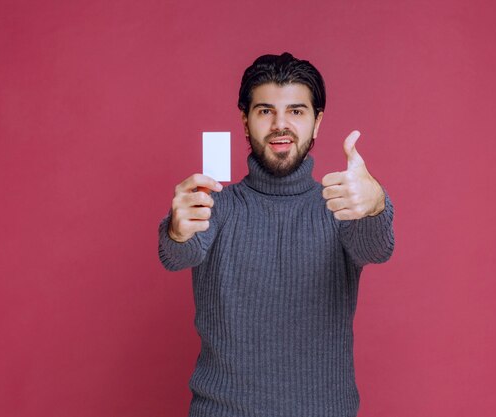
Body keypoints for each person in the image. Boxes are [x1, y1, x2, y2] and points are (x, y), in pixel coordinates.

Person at [158, 52, 395, 417]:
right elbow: (178, 255)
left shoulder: (341, 202)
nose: (280, 125)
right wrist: (176, 229)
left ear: (317, 123)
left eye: (296, 112)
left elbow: (376, 248)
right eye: (265, 111)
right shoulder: (214, 204)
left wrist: (375, 203)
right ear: (245, 120)